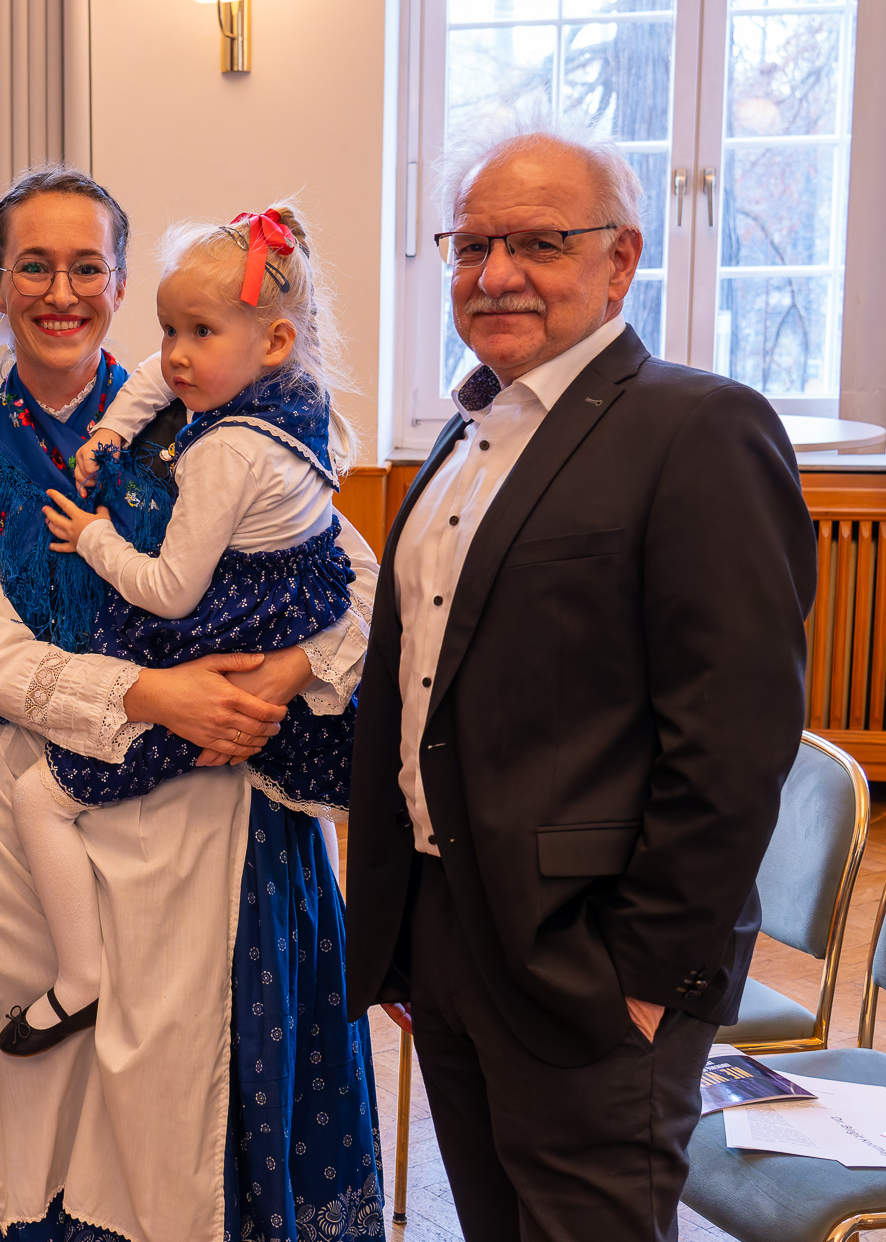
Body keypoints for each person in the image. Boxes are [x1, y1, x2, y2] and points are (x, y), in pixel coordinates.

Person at [0, 166, 384, 1242]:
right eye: (33, 267)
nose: (62, 292)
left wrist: (285, 675)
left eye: (87, 267)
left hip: (223, 814)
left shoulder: (222, 417)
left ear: (118, 282)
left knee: (190, 1121)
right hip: (31, 819)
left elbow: (359, 586)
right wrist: (158, 693)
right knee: (32, 1118)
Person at [343, 124, 816, 1242]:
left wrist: (644, 979)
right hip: (448, 930)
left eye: (539, 242)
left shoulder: (698, 428)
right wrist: (407, 935)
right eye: (472, 245)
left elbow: (733, 744)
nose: (495, 273)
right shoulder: (464, 437)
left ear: (621, 259)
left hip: (591, 961)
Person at [5, 207, 362, 1058]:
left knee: (38, 799)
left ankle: (80, 980)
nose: (173, 355)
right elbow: (157, 380)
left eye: (197, 332)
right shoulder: (296, 396)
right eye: (168, 329)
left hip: (211, 649)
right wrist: (114, 428)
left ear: (273, 341)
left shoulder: (226, 453)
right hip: (295, 610)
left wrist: (93, 538)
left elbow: (169, 592)